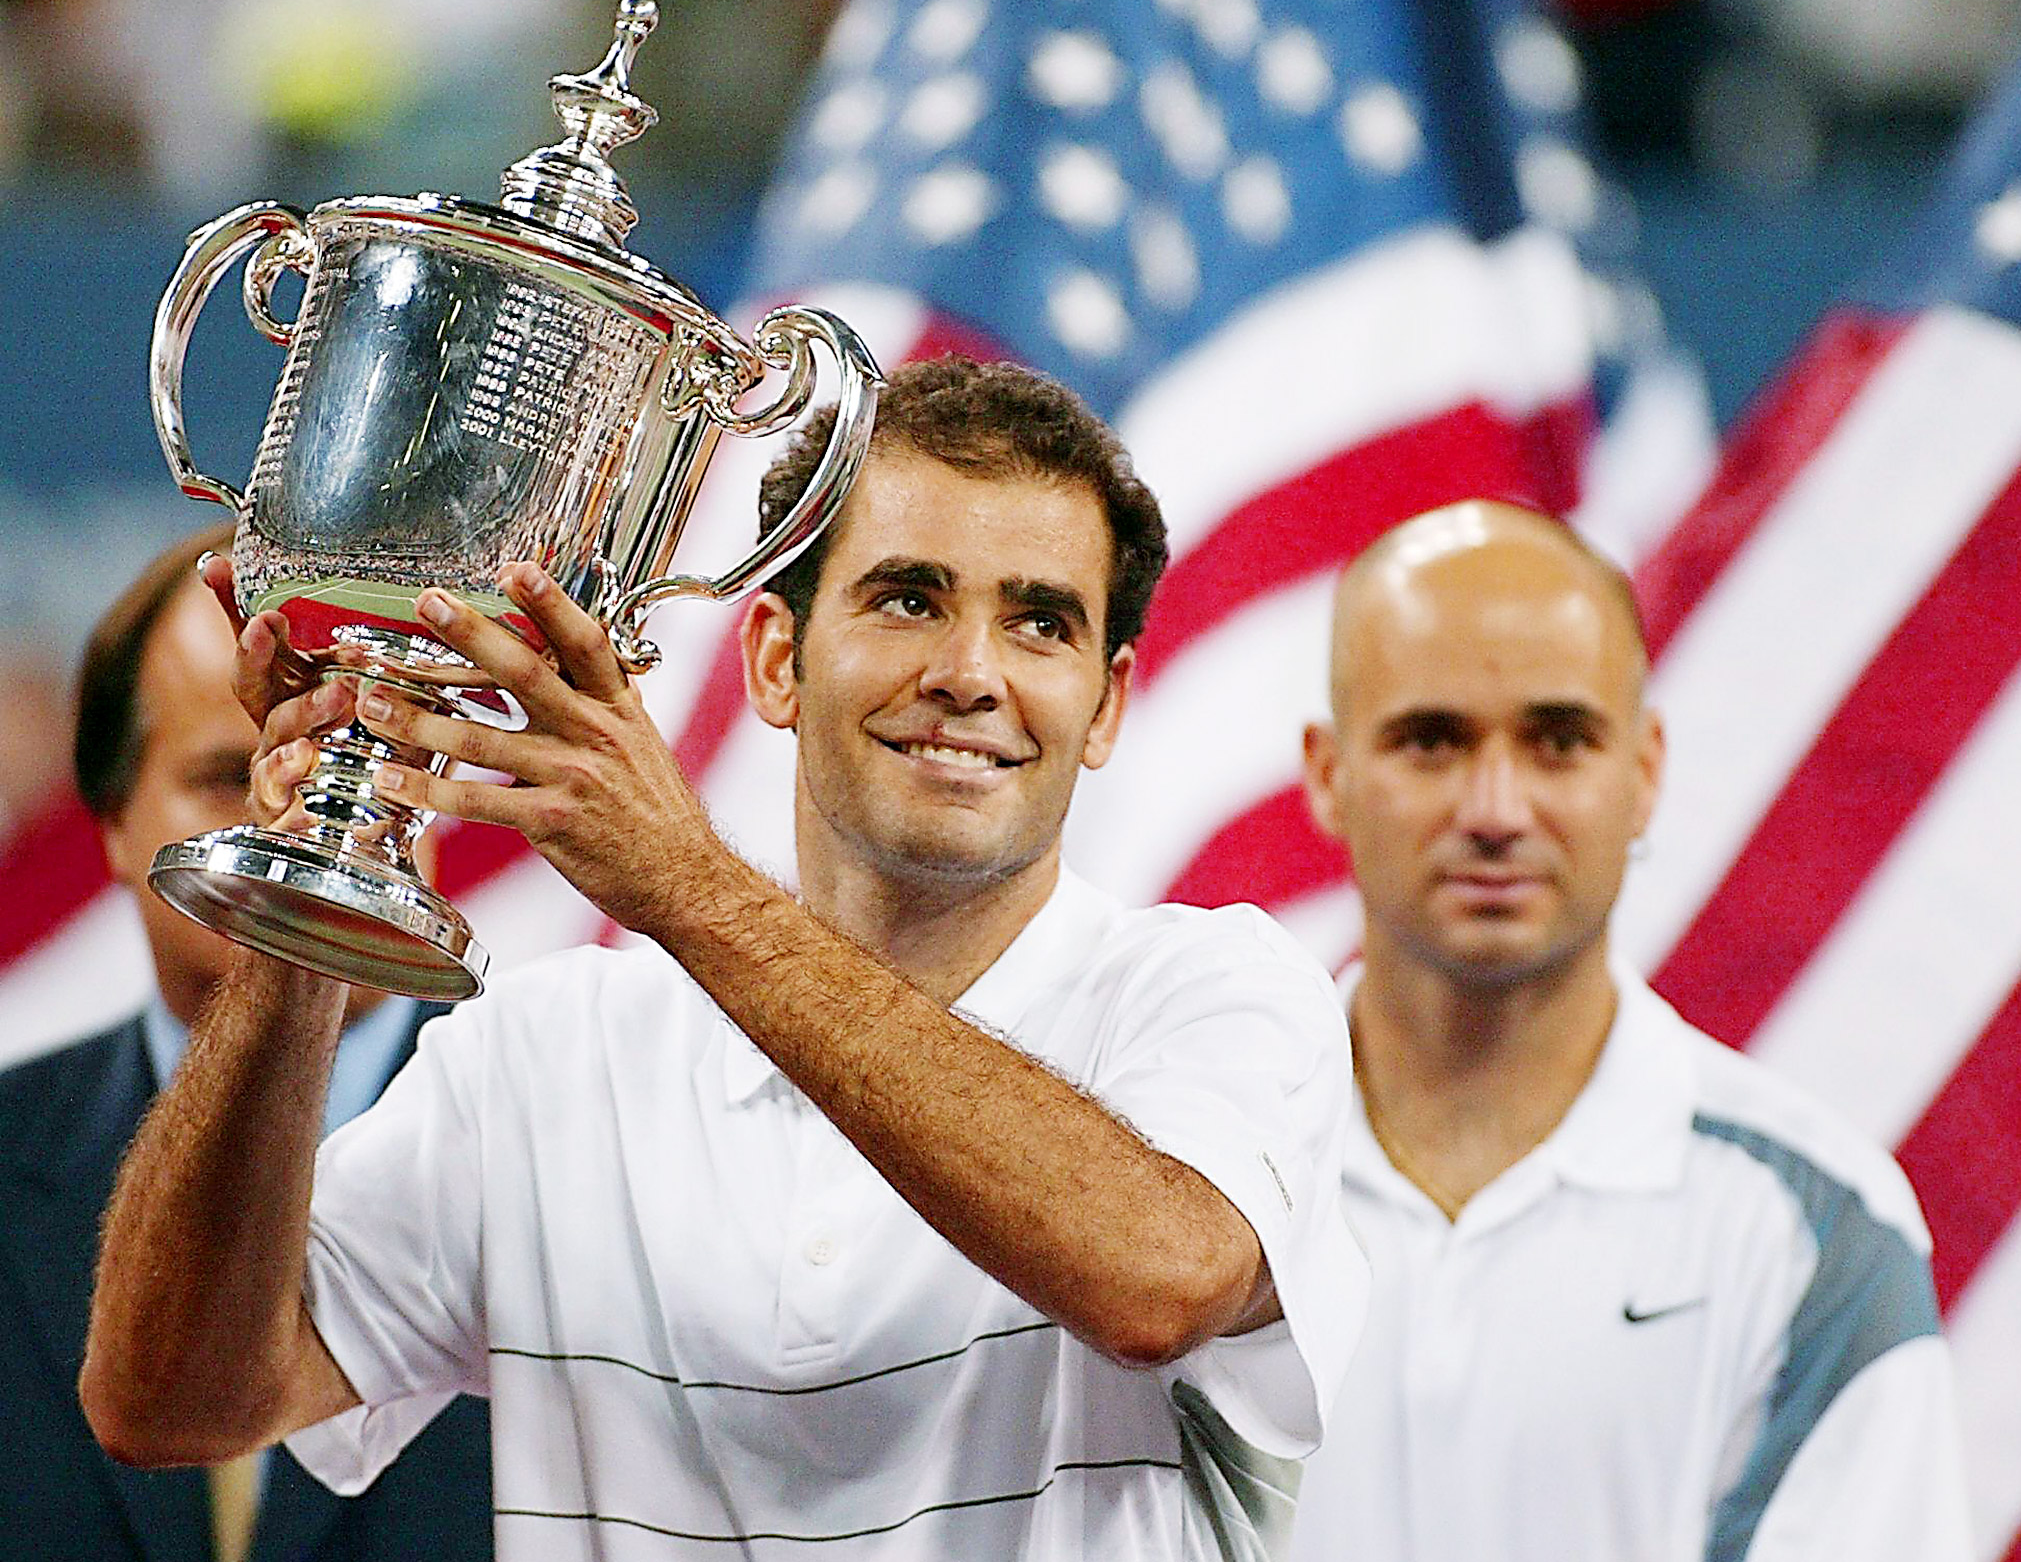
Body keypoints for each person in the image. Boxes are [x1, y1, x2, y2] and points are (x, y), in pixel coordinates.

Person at [81, 359, 1370, 1561]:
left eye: (1040, 625)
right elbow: (172, 1400)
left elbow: (1158, 1281)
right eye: (908, 598)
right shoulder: (542, 1055)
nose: (971, 674)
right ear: (772, 659)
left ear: (1107, 706)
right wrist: (321, 891)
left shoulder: (1218, 991)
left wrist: (688, 888)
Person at [1289, 499, 1972, 1561]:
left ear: (1644, 771)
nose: (1495, 808)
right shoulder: (1189, 1163)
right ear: (1327, 776)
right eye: (1430, 741)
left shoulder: (1817, 1227)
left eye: (1557, 742)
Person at [0, 524, 492, 1561]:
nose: (305, 831)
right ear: (114, 821)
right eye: (237, 777)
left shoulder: (575, 1152)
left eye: (372, 775)